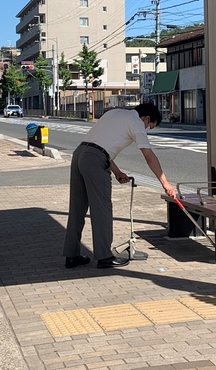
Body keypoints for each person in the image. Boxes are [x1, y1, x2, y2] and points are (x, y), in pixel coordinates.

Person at [63, 103, 176, 269]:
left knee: (77, 208)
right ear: (146, 118)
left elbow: (99, 145)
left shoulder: (115, 113)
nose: (146, 129)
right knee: (102, 209)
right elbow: (148, 155)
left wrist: (117, 172)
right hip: (95, 160)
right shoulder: (136, 122)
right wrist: (165, 183)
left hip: (80, 154)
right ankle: (104, 256)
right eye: (149, 126)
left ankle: (71, 255)